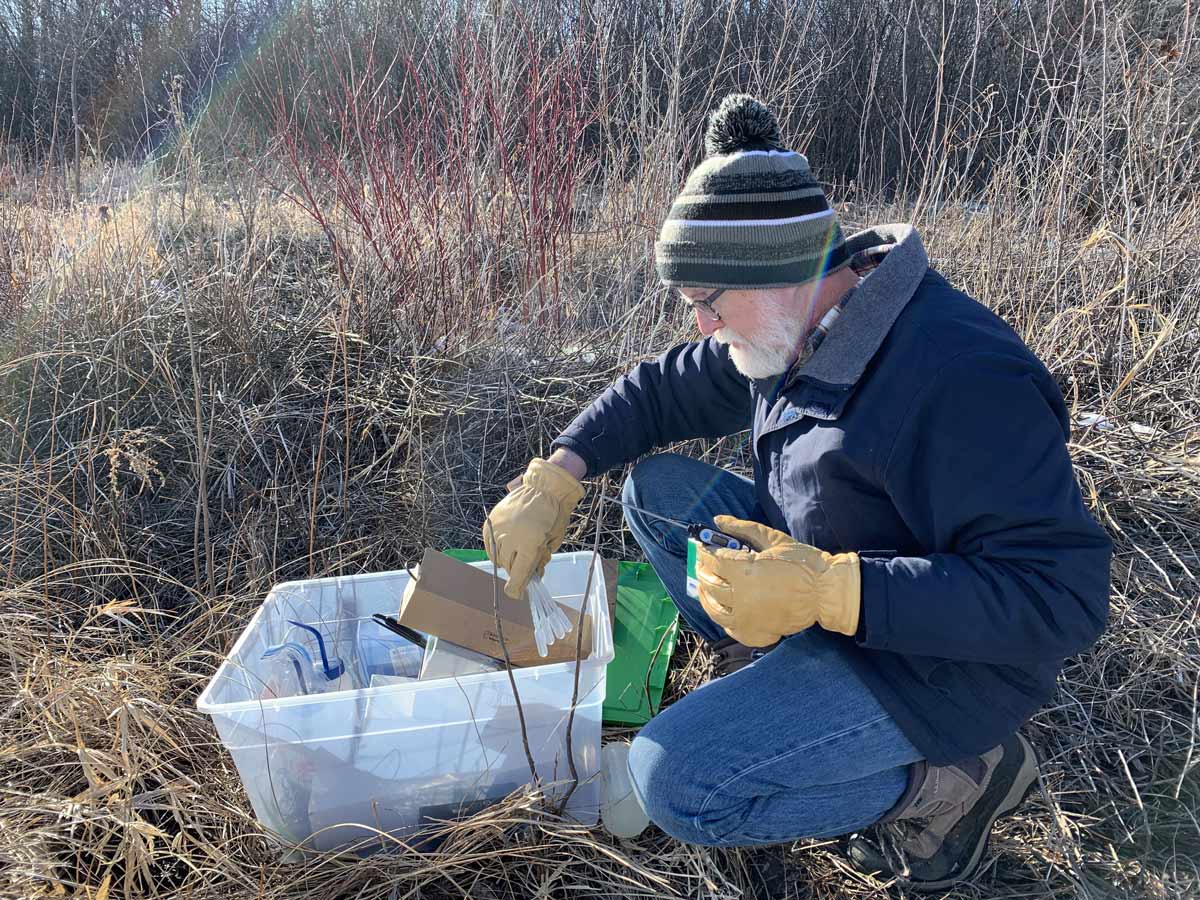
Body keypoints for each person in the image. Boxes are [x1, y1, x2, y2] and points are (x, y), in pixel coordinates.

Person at [482, 94, 1111, 891]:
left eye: (708, 304)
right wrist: (559, 473)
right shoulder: (794, 328)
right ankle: (780, 668)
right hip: (828, 592)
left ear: (778, 273)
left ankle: (956, 782)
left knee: (674, 783)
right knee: (655, 492)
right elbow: (657, 392)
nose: (704, 328)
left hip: (935, 669)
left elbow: (1063, 597)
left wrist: (830, 591)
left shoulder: (958, 380)